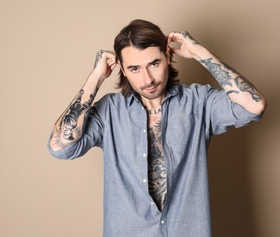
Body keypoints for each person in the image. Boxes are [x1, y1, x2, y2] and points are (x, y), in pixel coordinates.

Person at [48, 19, 267, 237]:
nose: (148, 79)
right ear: (122, 70)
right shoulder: (109, 111)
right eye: (134, 69)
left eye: (154, 64)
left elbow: (254, 106)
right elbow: (61, 147)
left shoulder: (199, 102)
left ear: (168, 56)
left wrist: (201, 53)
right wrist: (96, 77)